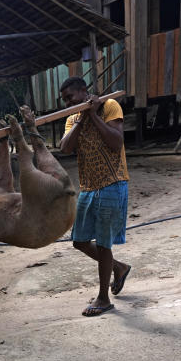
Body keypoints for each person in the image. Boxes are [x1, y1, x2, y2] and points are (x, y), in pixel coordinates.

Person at [58, 76, 132, 317]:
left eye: (70, 97)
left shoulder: (110, 106)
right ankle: (118, 267)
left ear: (83, 91)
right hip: (88, 187)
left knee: (102, 243)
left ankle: (103, 298)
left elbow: (116, 141)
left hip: (112, 183)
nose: (68, 103)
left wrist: (93, 115)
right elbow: (65, 148)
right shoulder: (72, 119)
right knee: (79, 241)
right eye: (65, 100)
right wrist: (81, 117)